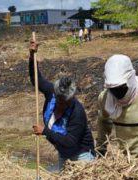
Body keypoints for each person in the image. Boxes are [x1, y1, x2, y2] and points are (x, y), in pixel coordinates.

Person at [28, 40, 95, 170]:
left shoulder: (77, 112)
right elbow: (36, 79)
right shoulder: (51, 92)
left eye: (66, 102)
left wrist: (45, 131)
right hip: (63, 153)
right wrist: (32, 57)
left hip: (81, 156)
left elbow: (70, 141)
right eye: (59, 100)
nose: (61, 104)